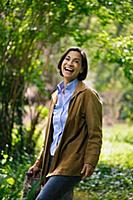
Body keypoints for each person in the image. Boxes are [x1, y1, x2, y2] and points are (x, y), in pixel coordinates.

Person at [28, 47, 102, 200]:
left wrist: (90, 161)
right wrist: (39, 164)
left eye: (76, 61)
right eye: (67, 59)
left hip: (72, 162)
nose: (70, 63)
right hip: (52, 160)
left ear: (81, 69)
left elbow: (95, 133)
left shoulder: (87, 95)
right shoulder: (56, 95)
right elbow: (51, 136)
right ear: (61, 63)